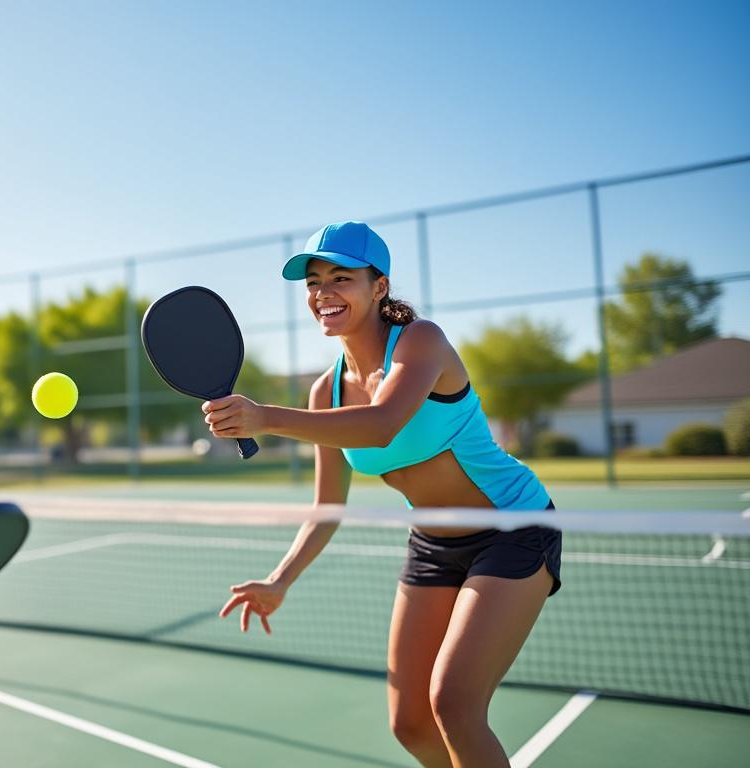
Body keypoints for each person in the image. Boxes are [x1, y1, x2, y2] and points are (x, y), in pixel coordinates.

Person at [209, 221, 561, 768]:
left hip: (513, 528)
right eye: (313, 282)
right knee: (410, 723)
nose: (323, 292)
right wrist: (280, 580)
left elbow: (381, 425)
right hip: (433, 544)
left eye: (340, 278)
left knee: (454, 704)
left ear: (379, 288)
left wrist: (265, 418)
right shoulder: (324, 391)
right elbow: (327, 508)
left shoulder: (422, 341)